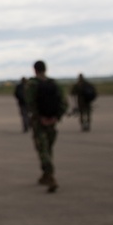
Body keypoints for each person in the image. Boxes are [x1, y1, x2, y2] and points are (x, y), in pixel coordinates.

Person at [25, 60, 69, 193]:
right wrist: (56, 117)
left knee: (42, 150)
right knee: (48, 149)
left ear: (34, 70)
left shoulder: (32, 84)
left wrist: (40, 118)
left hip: (39, 123)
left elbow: (30, 103)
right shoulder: (54, 84)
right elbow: (64, 103)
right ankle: (45, 175)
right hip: (52, 122)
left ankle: (50, 176)